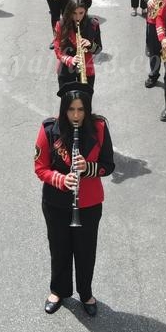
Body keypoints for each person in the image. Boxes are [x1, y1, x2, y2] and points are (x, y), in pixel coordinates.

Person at [34, 82, 114, 317]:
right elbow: (40, 168)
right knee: (59, 248)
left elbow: (108, 165)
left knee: (86, 250)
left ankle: (86, 292)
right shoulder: (50, 129)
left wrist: (88, 168)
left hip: (88, 204)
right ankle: (58, 290)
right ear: (63, 109)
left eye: (81, 110)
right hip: (55, 203)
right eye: (71, 110)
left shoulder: (98, 128)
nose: (76, 115)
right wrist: (61, 180)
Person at [54, 0, 100, 88]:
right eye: (74, 13)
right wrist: (70, 59)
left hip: (87, 69)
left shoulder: (93, 24)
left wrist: (90, 45)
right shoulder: (61, 25)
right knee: (67, 101)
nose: (77, 17)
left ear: (86, 11)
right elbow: (58, 50)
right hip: (66, 70)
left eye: (81, 13)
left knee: (85, 102)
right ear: (69, 11)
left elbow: (99, 49)